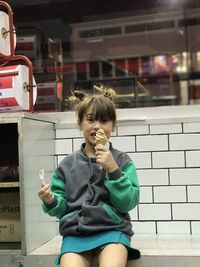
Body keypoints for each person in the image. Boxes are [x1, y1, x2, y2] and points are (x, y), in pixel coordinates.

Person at [38, 94, 140, 267]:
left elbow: (127, 204)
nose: (97, 126)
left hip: (112, 230)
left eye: (105, 121)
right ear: (80, 124)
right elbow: (62, 208)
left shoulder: (123, 161)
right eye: (91, 120)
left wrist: (113, 170)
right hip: (76, 233)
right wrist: (51, 201)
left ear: (114, 126)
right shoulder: (66, 165)